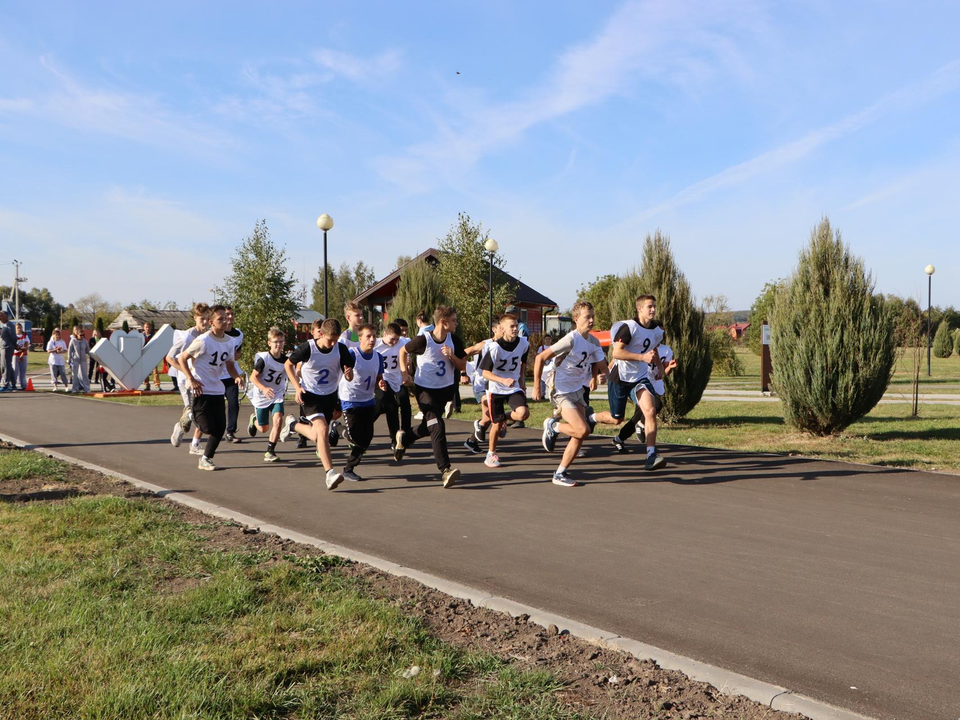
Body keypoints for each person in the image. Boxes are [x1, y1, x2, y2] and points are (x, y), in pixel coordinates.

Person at [535, 301, 608, 486]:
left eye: (593, 316)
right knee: (582, 429)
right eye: (587, 317)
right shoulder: (571, 339)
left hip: (577, 389)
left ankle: (560, 473)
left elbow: (602, 367)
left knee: (581, 434)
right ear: (576, 319)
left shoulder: (594, 342)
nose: (591, 320)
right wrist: (536, 386)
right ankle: (554, 427)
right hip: (560, 390)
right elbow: (540, 357)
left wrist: (603, 376)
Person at [394, 305, 467, 488]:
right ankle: (445, 470)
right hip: (424, 389)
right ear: (443, 322)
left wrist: (452, 356)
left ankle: (406, 438)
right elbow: (403, 351)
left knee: (430, 425)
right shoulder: (423, 340)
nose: (456, 324)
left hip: (444, 390)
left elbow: (462, 366)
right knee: (437, 425)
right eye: (453, 320)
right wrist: (404, 373)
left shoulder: (454, 341)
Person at [281, 318, 355, 490]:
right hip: (310, 395)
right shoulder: (307, 348)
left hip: (329, 396)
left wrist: (349, 374)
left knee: (316, 436)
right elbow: (288, 364)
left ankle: (292, 425)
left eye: (336, 339)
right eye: (331, 339)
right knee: (322, 430)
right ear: (321, 334)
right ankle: (330, 473)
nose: (333, 343)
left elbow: (349, 376)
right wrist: (297, 387)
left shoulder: (341, 349)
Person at [179, 305, 244, 471]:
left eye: (226, 318)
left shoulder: (230, 342)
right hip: (200, 387)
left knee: (220, 427)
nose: (225, 321)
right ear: (211, 322)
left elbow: (230, 365)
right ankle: (188, 416)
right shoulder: (203, 340)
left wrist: (237, 377)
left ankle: (206, 458)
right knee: (207, 427)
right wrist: (191, 378)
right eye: (220, 319)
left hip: (217, 389)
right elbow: (182, 358)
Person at [606, 294, 667, 470]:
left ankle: (651, 455)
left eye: (654, 306)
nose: (653, 309)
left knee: (650, 410)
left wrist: (660, 368)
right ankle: (592, 417)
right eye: (649, 306)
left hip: (640, 377)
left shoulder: (657, 330)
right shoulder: (629, 328)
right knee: (616, 418)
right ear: (639, 309)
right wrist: (642, 357)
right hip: (620, 377)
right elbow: (616, 353)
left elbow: (653, 348)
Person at [334, 324, 386, 483]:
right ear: (360, 338)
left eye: (374, 336)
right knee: (356, 437)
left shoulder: (378, 356)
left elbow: (378, 378)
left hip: (368, 400)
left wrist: (381, 383)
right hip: (350, 399)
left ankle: (349, 469)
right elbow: (347, 377)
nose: (372, 339)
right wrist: (348, 375)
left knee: (367, 438)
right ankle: (337, 428)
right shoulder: (352, 354)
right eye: (368, 336)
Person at [478, 314, 530, 468]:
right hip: (496, 388)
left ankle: (504, 418)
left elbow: (523, 364)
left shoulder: (524, 344)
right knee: (496, 424)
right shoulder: (494, 348)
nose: (515, 329)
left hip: (513, 387)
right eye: (511, 326)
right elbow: (484, 373)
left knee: (523, 414)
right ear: (502, 329)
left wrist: (522, 382)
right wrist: (502, 380)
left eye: (516, 325)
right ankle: (491, 454)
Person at [615, 344, 677, 447]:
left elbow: (664, 372)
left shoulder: (666, 350)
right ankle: (637, 427)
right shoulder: (643, 345)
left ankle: (620, 438)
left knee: (640, 415)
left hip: (655, 385)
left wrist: (670, 367)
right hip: (641, 383)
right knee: (651, 408)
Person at [167, 303, 210, 450]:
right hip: (186, 380)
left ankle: (194, 443)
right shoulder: (186, 337)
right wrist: (188, 373)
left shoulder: (208, 336)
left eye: (207, 319)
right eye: (202, 319)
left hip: (202, 379)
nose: (205, 322)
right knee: (191, 413)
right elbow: (170, 358)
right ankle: (180, 428)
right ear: (195, 318)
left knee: (202, 412)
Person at [245, 327, 289, 462]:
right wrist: (264, 388)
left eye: (281, 341)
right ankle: (254, 419)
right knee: (264, 428)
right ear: (269, 343)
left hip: (276, 394)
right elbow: (253, 377)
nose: (278, 344)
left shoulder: (286, 360)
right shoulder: (264, 359)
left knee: (279, 419)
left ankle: (270, 451)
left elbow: (292, 373)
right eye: (275, 342)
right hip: (262, 395)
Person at [463, 323, 503, 454]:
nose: (504, 331)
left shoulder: (507, 345)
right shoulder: (484, 344)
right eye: (501, 328)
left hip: (495, 385)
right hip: (481, 384)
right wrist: (463, 372)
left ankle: (471, 441)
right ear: (494, 329)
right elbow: (465, 353)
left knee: (487, 420)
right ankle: (483, 427)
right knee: (492, 414)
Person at [374, 322, 412, 453]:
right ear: (385, 334)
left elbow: (409, 354)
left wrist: (408, 369)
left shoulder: (404, 342)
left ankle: (406, 434)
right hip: (384, 379)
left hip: (398, 378)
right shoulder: (376, 344)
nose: (394, 342)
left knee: (405, 402)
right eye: (392, 339)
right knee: (390, 406)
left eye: (397, 339)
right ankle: (394, 437)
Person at [221, 306, 244, 443]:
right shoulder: (216, 334)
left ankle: (230, 431)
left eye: (231, 315)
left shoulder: (239, 334)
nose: (229, 317)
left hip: (231, 374)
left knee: (233, 402)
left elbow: (238, 352)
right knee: (216, 406)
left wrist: (237, 355)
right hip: (216, 375)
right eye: (227, 315)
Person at [68, 325, 91, 393]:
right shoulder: (73, 341)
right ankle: (75, 388)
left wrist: (93, 356)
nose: (82, 336)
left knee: (84, 375)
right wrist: (69, 359)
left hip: (83, 360)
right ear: (77, 334)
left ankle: (87, 388)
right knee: (74, 375)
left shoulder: (85, 341)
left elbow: (88, 350)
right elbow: (70, 350)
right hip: (75, 359)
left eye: (83, 335)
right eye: (80, 335)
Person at [141, 321, 161, 390]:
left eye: (149, 327)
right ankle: (147, 385)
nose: (147, 328)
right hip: (144, 356)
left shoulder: (154, 336)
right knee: (145, 372)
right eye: (146, 327)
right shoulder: (141, 336)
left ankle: (157, 385)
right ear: (144, 328)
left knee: (155, 371)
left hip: (153, 356)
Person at [0, 311, 15, 391]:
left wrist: (15, 346)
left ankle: (6, 385)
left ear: (6, 316)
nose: (0, 317)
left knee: (5, 367)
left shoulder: (9, 325)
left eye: (1, 316)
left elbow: (13, 337)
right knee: (6, 366)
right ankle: (12, 384)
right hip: (4, 348)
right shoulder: (5, 325)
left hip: (7, 348)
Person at [13, 323, 29, 390]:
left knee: (23, 370)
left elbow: (26, 345)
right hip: (15, 354)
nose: (19, 329)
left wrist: (22, 354)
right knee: (15, 370)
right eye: (17, 328)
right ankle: (13, 384)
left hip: (23, 354)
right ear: (15, 329)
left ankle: (24, 385)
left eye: (20, 327)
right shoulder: (13, 336)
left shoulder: (25, 335)